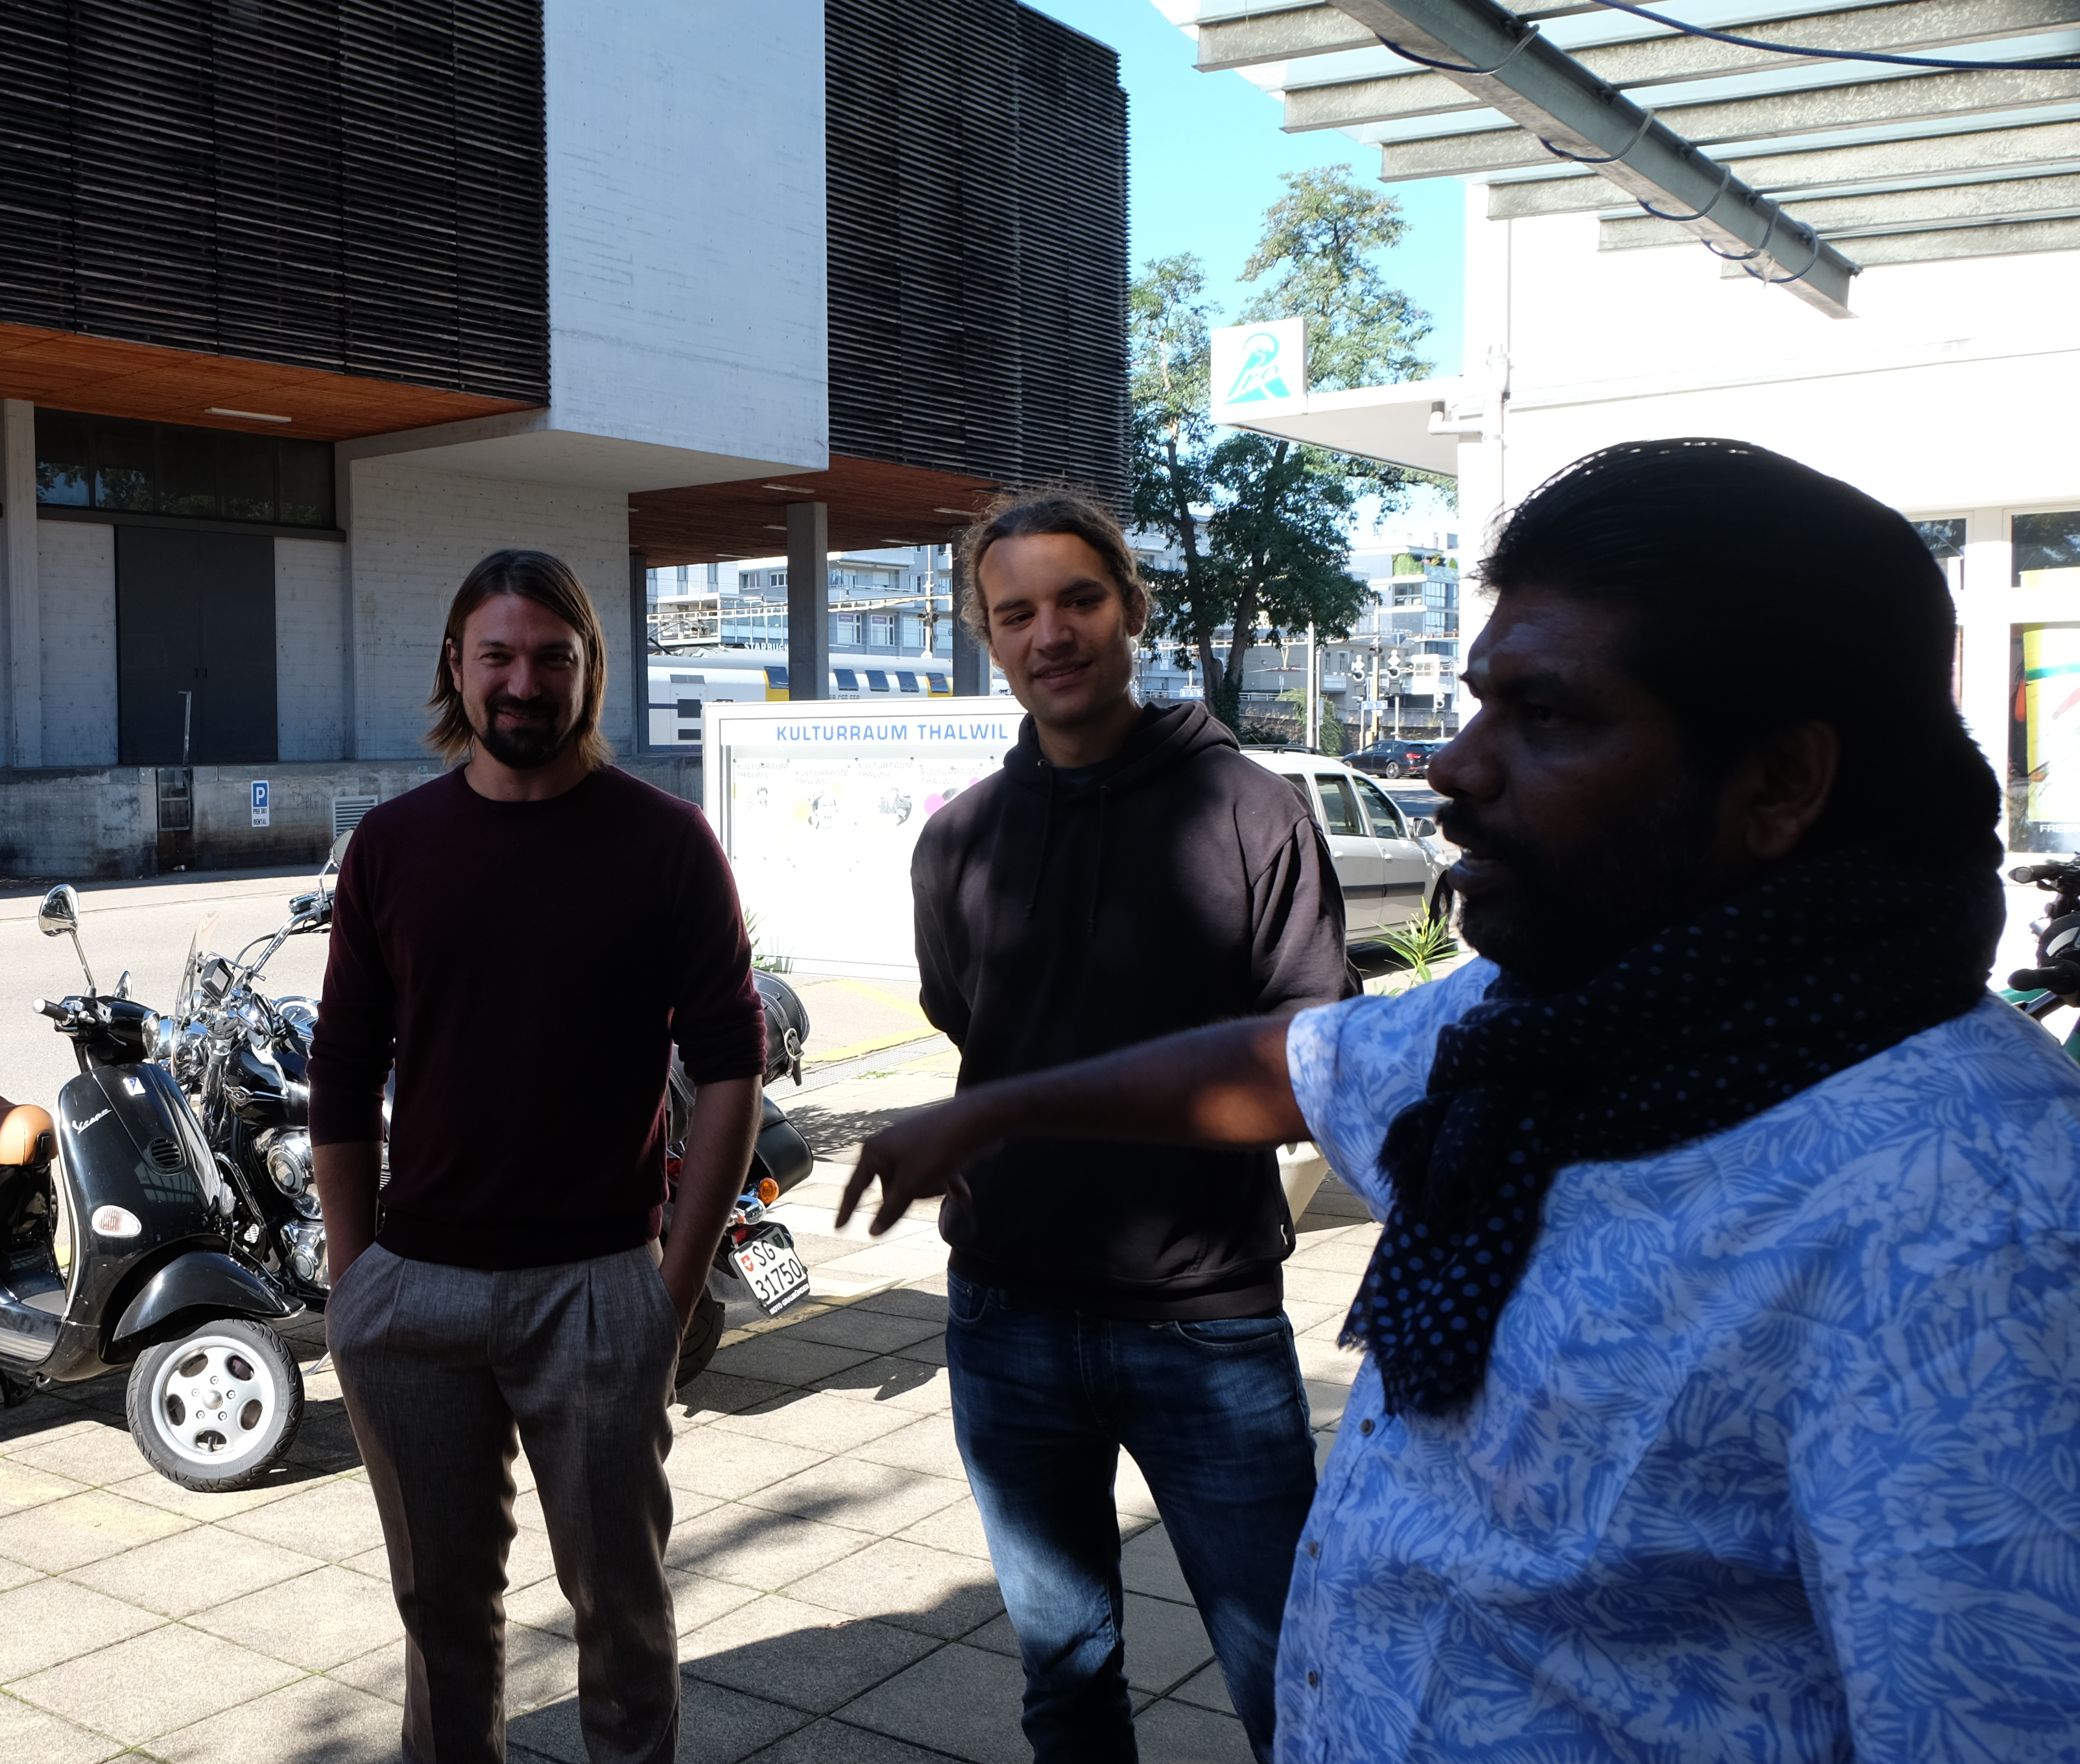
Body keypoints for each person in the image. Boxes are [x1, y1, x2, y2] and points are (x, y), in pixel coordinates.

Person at [840, 440, 2080, 1761]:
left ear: (1779, 782)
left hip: (1195, 1317)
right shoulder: (1541, 1015)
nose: (1452, 767)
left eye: (1546, 716)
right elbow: (1295, 1060)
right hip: (1018, 1305)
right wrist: (994, 1113)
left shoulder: (1981, 1222)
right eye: (1482, 701)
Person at [910, 490, 1350, 1761]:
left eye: (1080, 600)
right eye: (1016, 613)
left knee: (1301, 1685)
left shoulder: (1251, 813)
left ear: (1132, 608)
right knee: (1066, 1686)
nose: (1050, 633)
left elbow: (1314, 1061)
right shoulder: (959, 841)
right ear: (988, 636)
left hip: (1204, 1325)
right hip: (1008, 1320)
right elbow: (967, 1017)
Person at [308, 549, 764, 1764]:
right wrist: (355, 1285)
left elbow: (733, 1064)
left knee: (624, 1622)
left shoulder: (665, 842)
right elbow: (341, 1070)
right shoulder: (392, 847)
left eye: (552, 657)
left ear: (589, 670)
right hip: (414, 1296)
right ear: (455, 667)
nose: (523, 682)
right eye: (498, 655)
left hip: (598, 1292)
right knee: (441, 1622)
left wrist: (670, 1290)